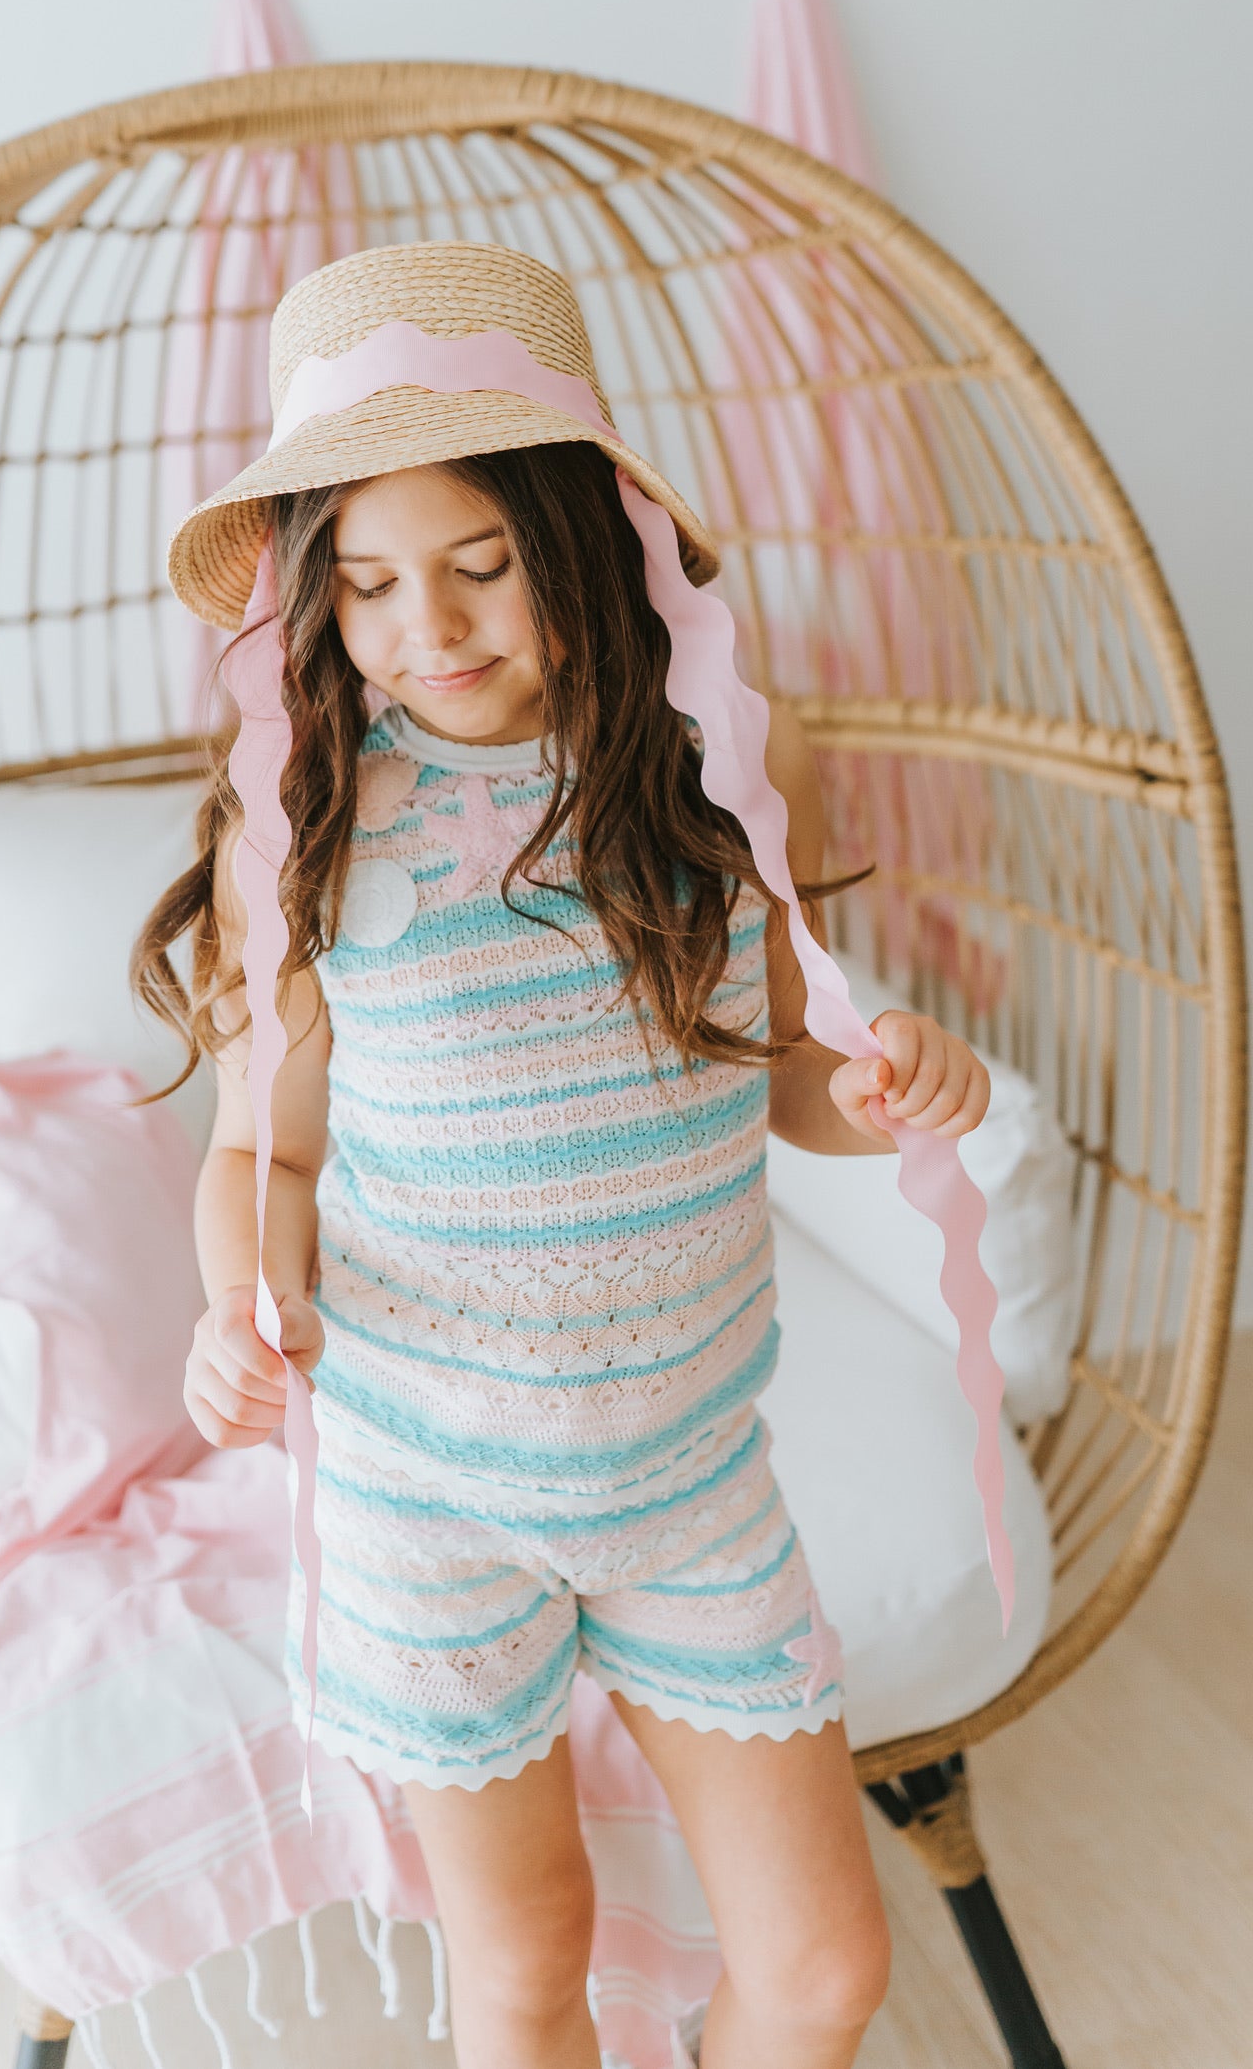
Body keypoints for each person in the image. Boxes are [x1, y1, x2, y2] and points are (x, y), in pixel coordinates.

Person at [133, 242, 991, 2069]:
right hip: (426, 1493)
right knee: (525, 1965)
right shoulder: (311, 829)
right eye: (369, 584)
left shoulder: (715, 769)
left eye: (480, 563)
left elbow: (785, 1073)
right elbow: (262, 1156)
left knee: (825, 1966)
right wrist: (238, 1299)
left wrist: (889, 1081)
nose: (426, 629)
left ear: (585, 537)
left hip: (689, 1475)